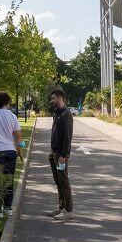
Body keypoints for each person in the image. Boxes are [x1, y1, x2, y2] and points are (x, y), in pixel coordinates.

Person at [47, 88, 75, 220]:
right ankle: (61, 207)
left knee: (63, 180)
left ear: (60, 98)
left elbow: (68, 138)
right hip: (53, 153)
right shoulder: (56, 113)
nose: (51, 100)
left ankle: (69, 211)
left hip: (60, 155)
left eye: (53, 98)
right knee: (58, 180)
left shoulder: (66, 114)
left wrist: (63, 156)